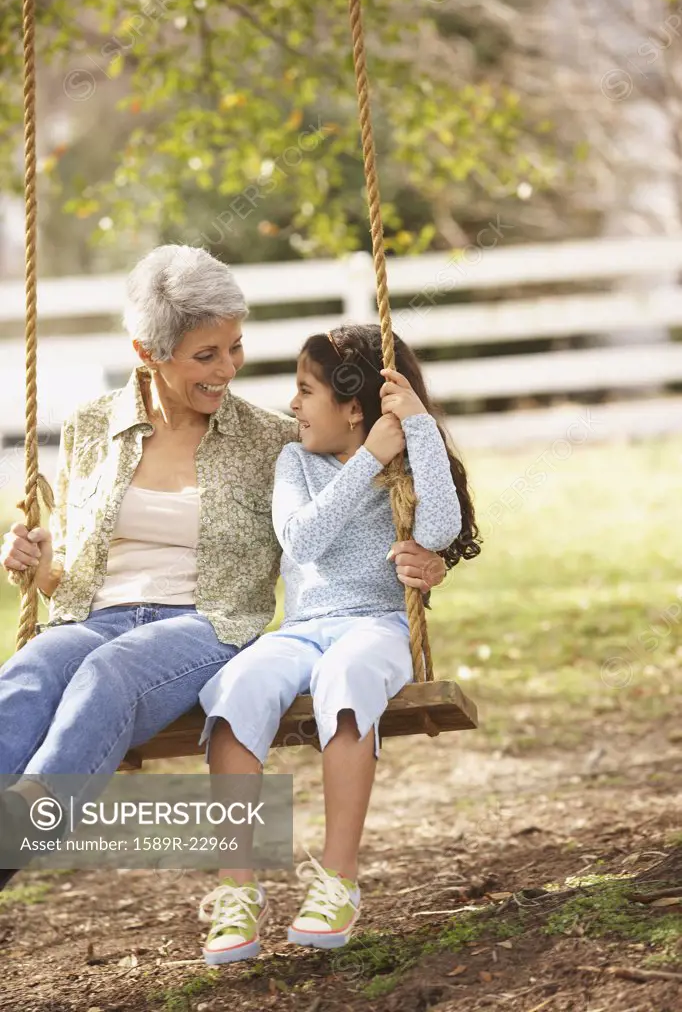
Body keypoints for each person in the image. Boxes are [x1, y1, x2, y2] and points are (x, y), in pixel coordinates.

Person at [0, 247, 447, 892]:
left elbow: (362, 501)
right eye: (205, 355)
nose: (228, 369)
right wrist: (37, 560)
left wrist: (428, 557)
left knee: (108, 675)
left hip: (205, 626)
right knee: (29, 672)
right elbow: (66, 569)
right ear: (147, 352)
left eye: (233, 348)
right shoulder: (91, 428)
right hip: (94, 616)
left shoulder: (272, 441)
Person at [197, 323, 481, 965]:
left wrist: (419, 433)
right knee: (238, 686)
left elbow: (438, 527)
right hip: (299, 631)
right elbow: (302, 540)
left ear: (354, 407)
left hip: (376, 626)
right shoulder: (294, 463)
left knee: (347, 679)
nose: (292, 404)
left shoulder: (406, 459)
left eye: (305, 390)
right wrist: (367, 459)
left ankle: (337, 880)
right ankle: (237, 889)